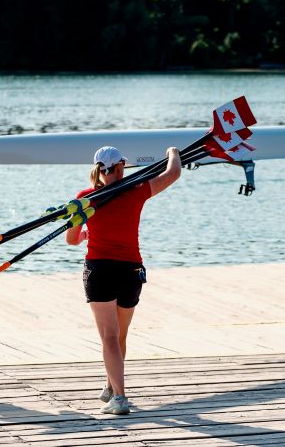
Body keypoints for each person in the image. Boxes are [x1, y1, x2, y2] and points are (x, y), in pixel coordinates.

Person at [66, 145, 181, 415]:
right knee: (120, 336)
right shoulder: (137, 190)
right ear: (121, 167)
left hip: (100, 270)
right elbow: (173, 173)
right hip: (131, 271)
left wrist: (83, 235)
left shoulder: (85, 198)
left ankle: (119, 397)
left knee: (108, 337)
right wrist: (173, 152)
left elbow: (71, 239)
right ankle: (110, 387)